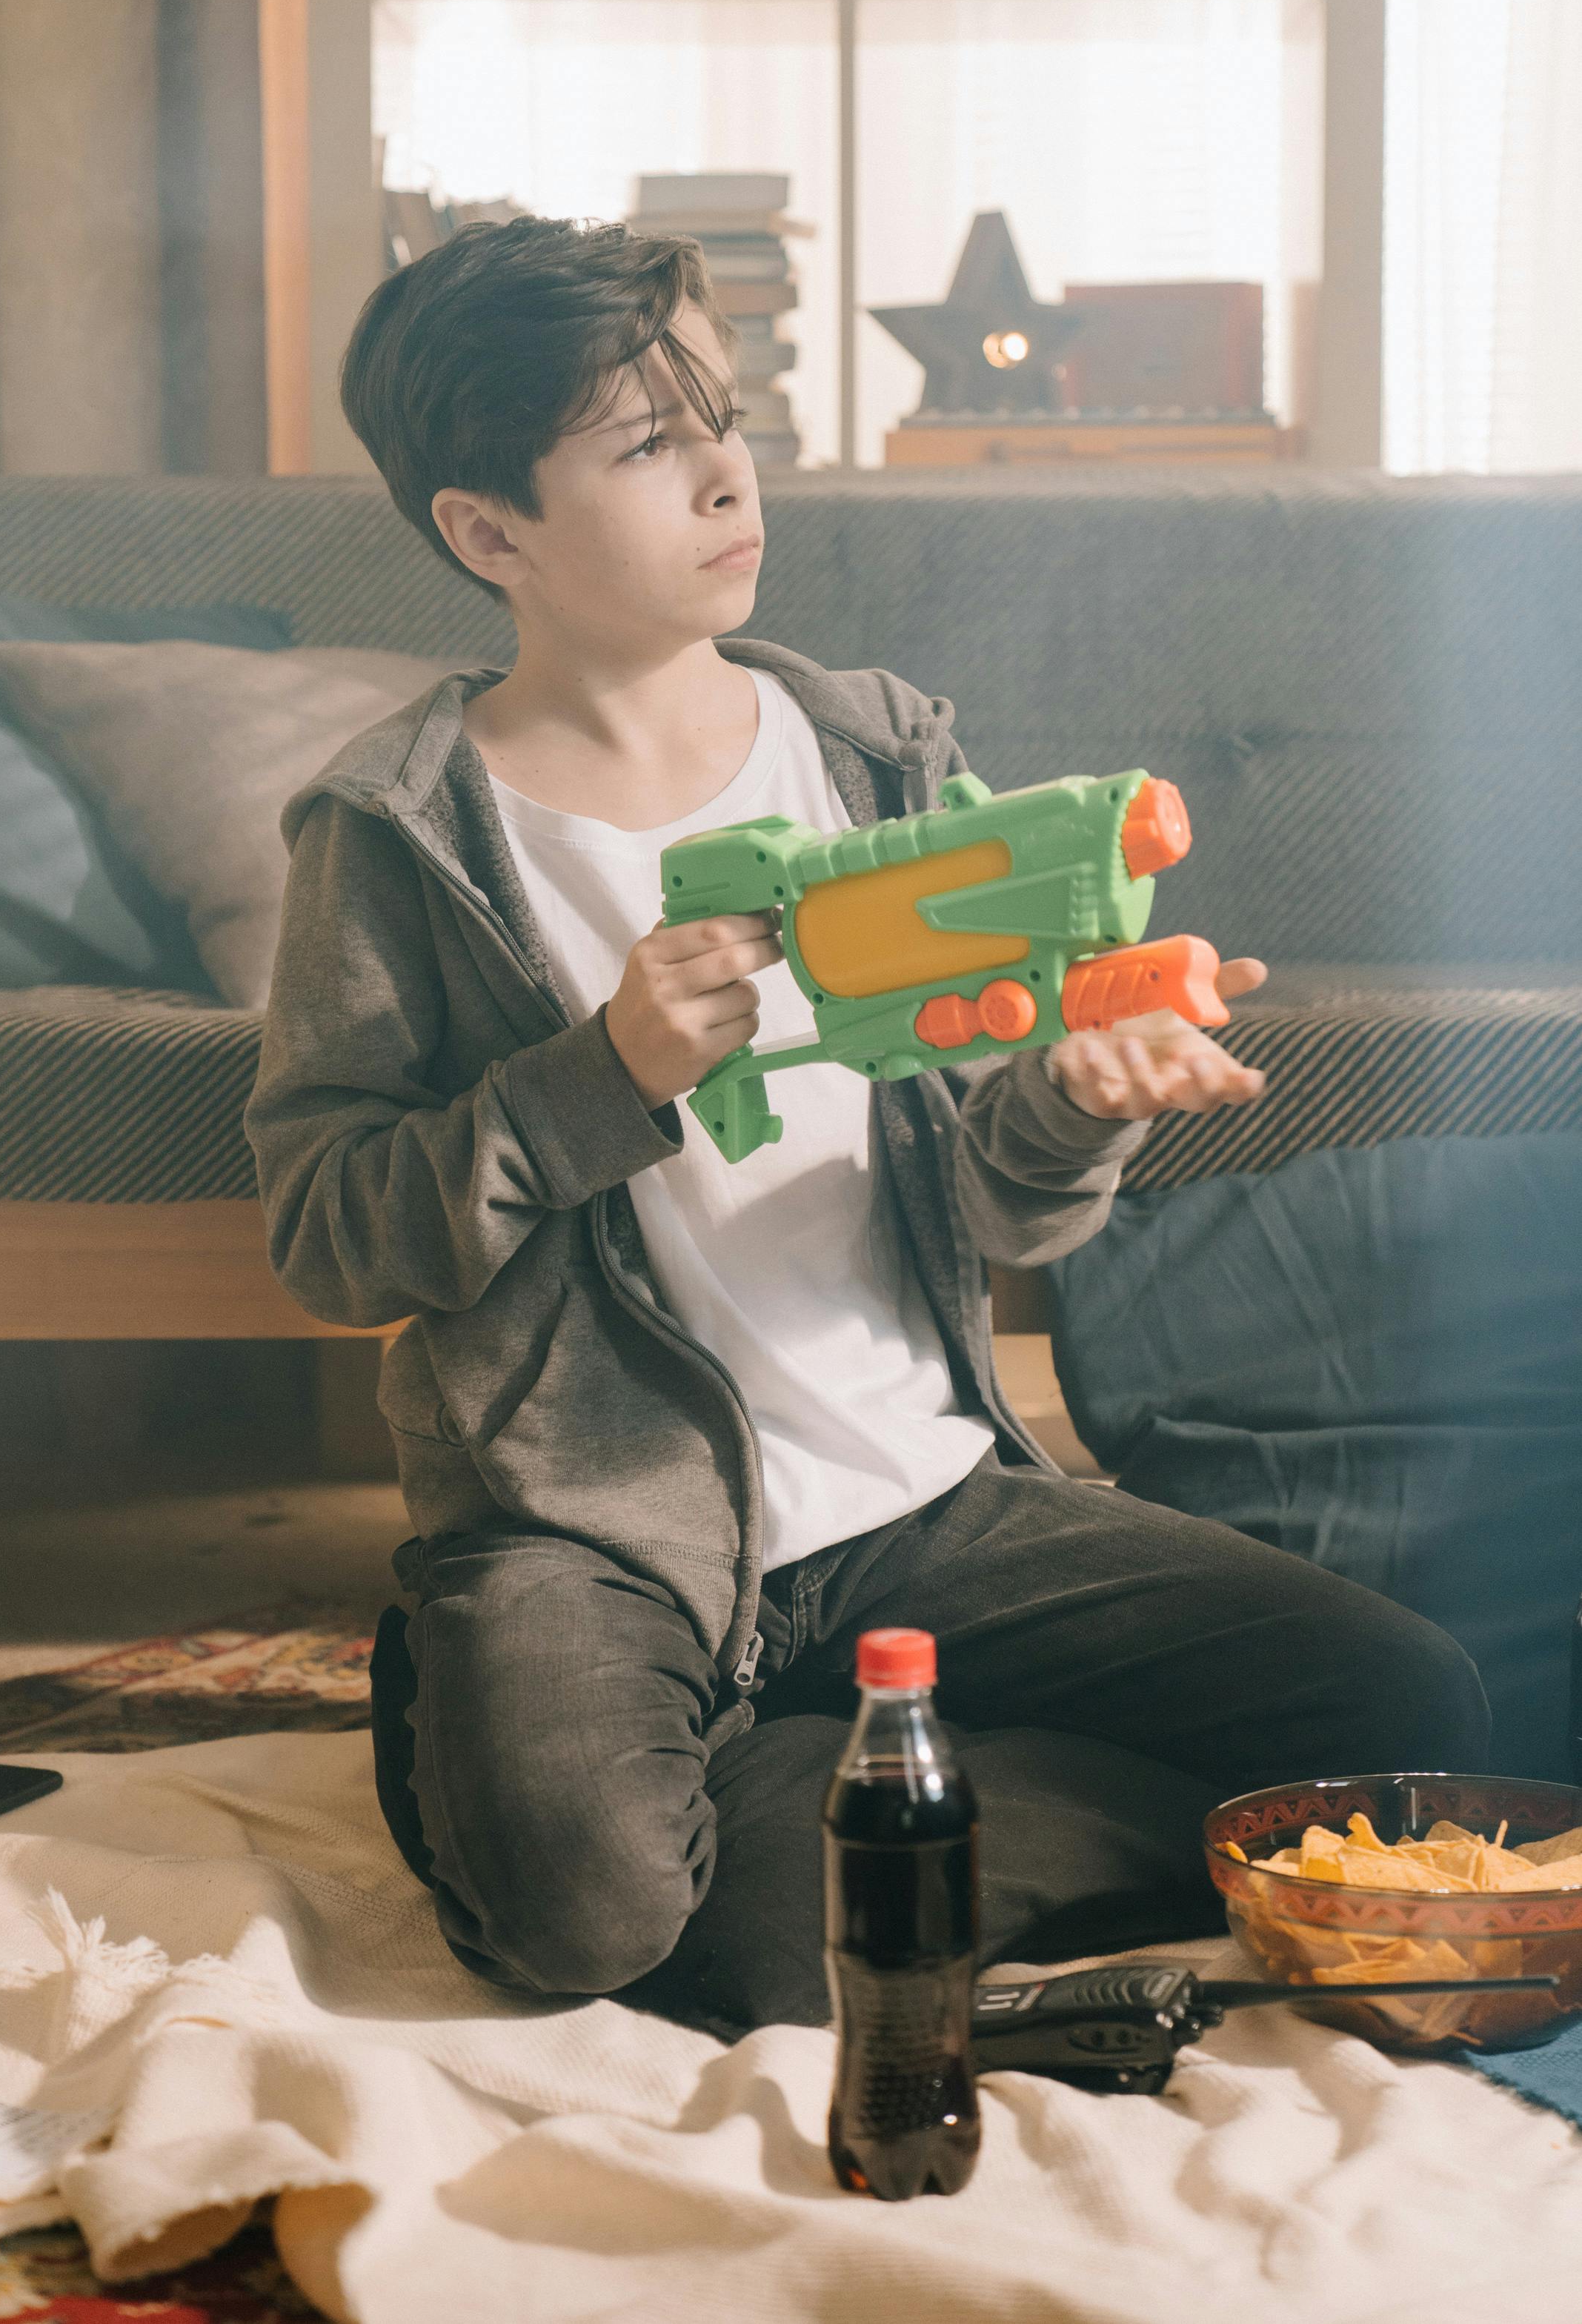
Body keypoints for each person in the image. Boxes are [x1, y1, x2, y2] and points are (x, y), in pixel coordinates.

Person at [246, 215, 1489, 2038]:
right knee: (587, 1921)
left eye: (724, 417)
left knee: (1415, 1711)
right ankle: (744, 1784)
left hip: (923, 1490)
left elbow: (1002, 1210)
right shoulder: (397, 835)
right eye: (647, 445)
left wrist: (1074, 1103)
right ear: (488, 531)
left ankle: (846, 1805)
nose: (727, 472)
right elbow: (331, 1236)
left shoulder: (877, 756)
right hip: (596, 1534)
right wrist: (602, 1074)